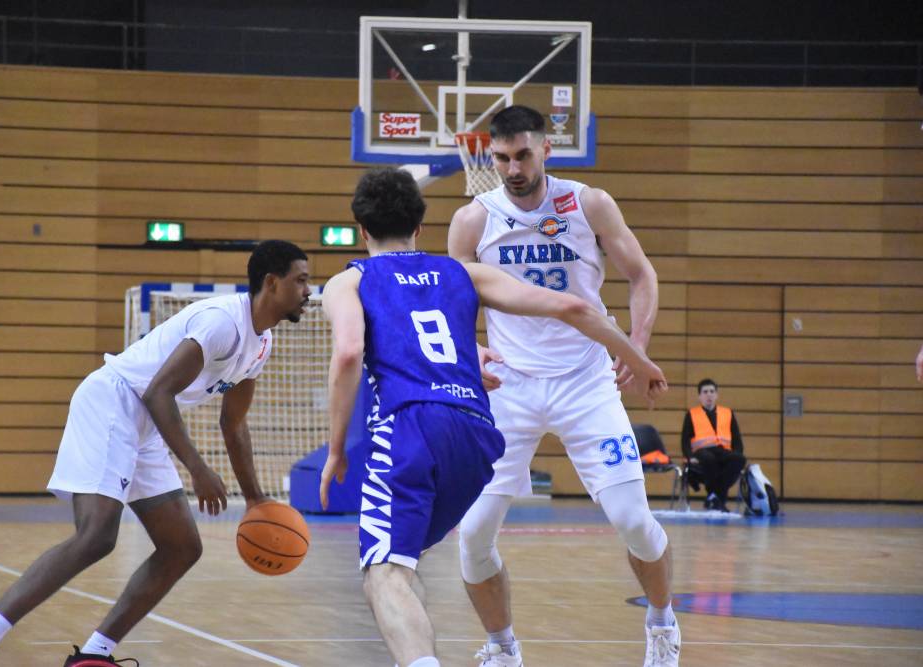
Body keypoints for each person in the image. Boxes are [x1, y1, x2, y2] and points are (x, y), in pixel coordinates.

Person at [319, 167, 667, 667]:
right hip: (477, 429)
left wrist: (336, 449)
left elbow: (350, 353)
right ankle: (491, 651)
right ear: (419, 226)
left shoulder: (349, 280)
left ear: (361, 229)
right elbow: (572, 307)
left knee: (385, 572)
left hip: (411, 424)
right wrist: (638, 358)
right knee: (413, 559)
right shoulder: (461, 273)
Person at [0, 241, 311, 667]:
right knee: (96, 536)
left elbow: (234, 424)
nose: (308, 291)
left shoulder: (261, 344)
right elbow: (158, 392)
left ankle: (94, 656)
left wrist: (256, 498)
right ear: (271, 282)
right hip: (114, 403)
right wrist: (197, 468)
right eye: (301, 280)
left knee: (182, 547)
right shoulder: (222, 322)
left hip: (146, 423)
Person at [447, 104, 681, 667]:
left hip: (586, 382)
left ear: (546, 149)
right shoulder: (473, 220)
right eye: (502, 158)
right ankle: (503, 650)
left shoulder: (588, 203)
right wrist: (469, 347)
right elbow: (453, 300)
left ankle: (662, 622)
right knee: (473, 535)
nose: (513, 168)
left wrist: (637, 343)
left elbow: (641, 274)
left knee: (634, 521)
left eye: (523, 155)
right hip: (508, 387)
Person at [680, 378, 747, 512]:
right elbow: (685, 440)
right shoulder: (692, 414)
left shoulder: (727, 413)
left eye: (712, 391)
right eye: (705, 392)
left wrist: (737, 453)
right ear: (699, 396)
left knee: (739, 459)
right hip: (702, 452)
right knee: (710, 459)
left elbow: (737, 439)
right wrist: (689, 457)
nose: (709, 395)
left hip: (723, 451)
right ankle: (719, 499)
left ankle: (714, 497)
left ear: (716, 395)